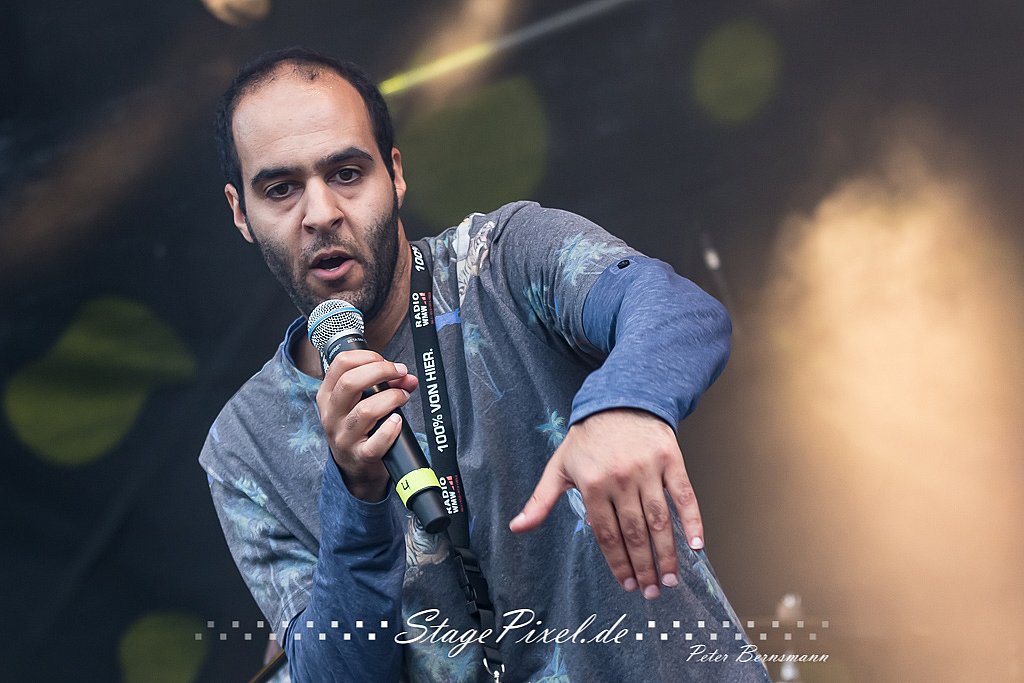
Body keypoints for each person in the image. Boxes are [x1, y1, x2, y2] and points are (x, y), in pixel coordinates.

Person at [200, 46, 770, 682]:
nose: (321, 213)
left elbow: (673, 307)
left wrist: (624, 406)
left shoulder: (501, 259)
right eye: (280, 189)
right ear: (240, 212)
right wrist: (355, 496)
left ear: (395, 174)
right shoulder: (244, 446)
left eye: (347, 173)